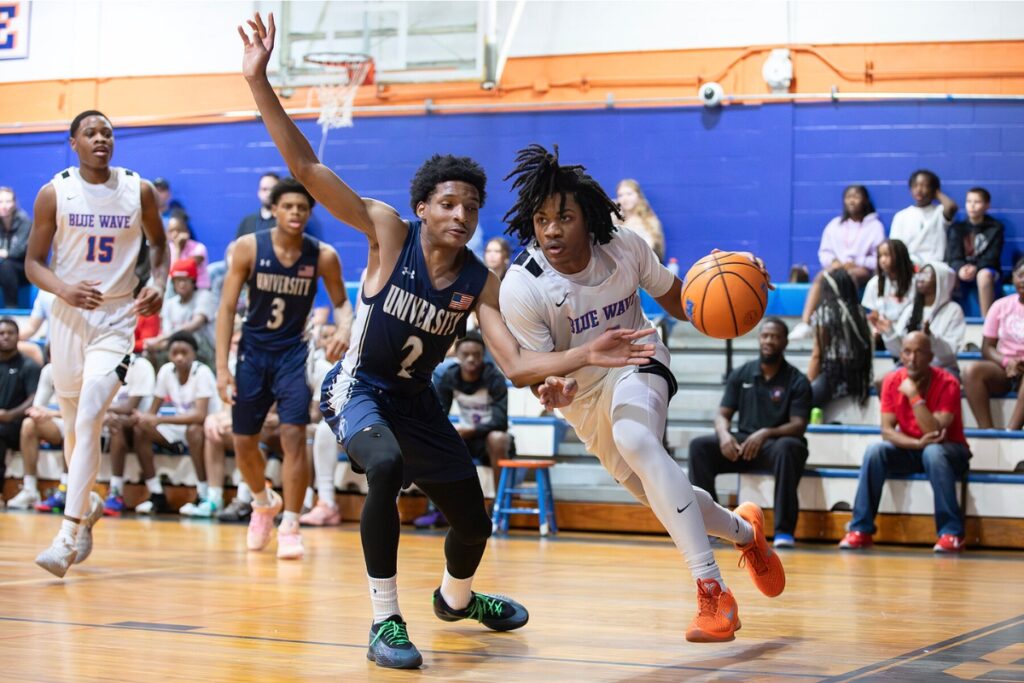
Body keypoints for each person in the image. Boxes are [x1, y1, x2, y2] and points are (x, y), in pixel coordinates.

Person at [239, 12, 659, 669]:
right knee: (382, 467)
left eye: (471, 205)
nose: (462, 213)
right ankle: (385, 622)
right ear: (423, 207)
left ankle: (457, 599)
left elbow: (517, 363)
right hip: (360, 389)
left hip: (416, 402)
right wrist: (259, 81)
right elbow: (306, 163)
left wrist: (586, 353)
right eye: (449, 202)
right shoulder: (386, 230)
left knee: (474, 518)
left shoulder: (479, 280)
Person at [501, 144, 785, 644]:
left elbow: (682, 300)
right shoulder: (523, 286)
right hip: (584, 398)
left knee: (635, 437)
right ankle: (747, 533)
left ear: (587, 218)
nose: (550, 230)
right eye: (541, 219)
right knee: (660, 494)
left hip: (638, 358)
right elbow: (537, 369)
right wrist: (556, 385)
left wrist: (740, 284)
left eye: (563, 217)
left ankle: (713, 591)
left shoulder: (625, 245)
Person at [27, 110, 168, 578]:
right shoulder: (55, 192)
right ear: (74, 142)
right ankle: (86, 505)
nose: (101, 138)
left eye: (107, 132)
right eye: (91, 133)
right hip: (68, 316)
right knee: (74, 429)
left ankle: (66, 534)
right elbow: (32, 263)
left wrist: (159, 282)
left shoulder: (138, 189)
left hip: (116, 316)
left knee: (90, 413)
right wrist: (61, 288)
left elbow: (160, 247)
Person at [215, 176, 353, 560]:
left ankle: (291, 524)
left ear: (310, 213)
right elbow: (226, 309)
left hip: (293, 354)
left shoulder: (322, 255)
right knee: (243, 441)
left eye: (302, 208)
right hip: (253, 355)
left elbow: (342, 302)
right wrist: (221, 369)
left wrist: (344, 326)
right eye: (288, 207)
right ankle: (262, 503)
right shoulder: (248, 248)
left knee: (294, 436)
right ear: (274, 210)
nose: (295, 213)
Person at [840, 332, 971, 553]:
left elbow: (934, 431)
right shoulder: (892, 380)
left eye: (919, 353)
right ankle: (860, 529)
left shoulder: (948, 382)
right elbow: (887, 432)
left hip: (951, 452)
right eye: (907, 352)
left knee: (934, 452)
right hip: (914, 448)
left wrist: (914, 396)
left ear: (930, 357)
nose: (912, 358)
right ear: (901, 355)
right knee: (875, 451)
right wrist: (917, 445)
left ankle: (951, 533)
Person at [687, 318, 811, 548]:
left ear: (785, 342)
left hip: (775, 445)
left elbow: (799, 425)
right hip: (743, 445)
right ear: (759, 339)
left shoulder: (797, 380)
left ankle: (784, 532)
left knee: (789, 447)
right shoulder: (742, 374)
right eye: (765, 336)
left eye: (775, 337)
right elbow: (722, 415)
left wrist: (765, 433)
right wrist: (725, 435)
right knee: (699, 447)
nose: (769, 341)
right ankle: (709, 526)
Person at [133, 331, 218, 514]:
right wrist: (144, 418)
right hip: (179, 428)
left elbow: (200, 415)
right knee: (141, 429)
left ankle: (202, 494)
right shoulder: (166, 371)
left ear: (194, 353)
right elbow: (152, 413)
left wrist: (159, 419)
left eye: (184, 352)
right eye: (175, 353)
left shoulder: (202, 372)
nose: (179, 357)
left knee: (194, 430)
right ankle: (156, 494)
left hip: (206, 428)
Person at [789, 185, 885, 340]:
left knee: (845, 277)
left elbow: (879, 258)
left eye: (856, 196)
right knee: (821, 276)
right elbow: (824, 252)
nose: (852, 200)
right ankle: (806, 323)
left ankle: (838, 324)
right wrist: (833, 262)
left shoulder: (875, 226)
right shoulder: (835, 224)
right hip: (836, 268)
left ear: (865, 200)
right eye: (848, 197)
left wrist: (855, 262)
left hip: (861, 271)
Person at [437, 330, 514, 493]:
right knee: (440, 441)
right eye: (465, 354)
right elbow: (439, 416)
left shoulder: (494, 378)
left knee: (497, 438)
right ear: (457, 354)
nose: (471, 359)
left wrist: (472, 430)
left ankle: (498, 502)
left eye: (476, 354)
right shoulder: (449, 377)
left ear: (483, 354)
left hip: (490, 441)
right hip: (466, 440)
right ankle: (438, 506)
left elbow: (501, 422)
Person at [962, 257, 1024, 430]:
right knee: (971, 371)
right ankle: (987, 431)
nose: (1023, 280)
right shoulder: (1000, 306)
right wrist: (1008, 362)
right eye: (1020, 275)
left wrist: (1020, 364)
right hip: (1004, 367)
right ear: (1013, 277)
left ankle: (1012, 431)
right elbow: (987, 347)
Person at [880, 262, 965, 378]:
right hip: (911, 366)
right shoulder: (911, 309)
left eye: (927, 274)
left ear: (941, 280)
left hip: (942, 367)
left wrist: (930, 337)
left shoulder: (953, 310)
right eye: (920, 273)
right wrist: (889, 332)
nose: (921, 277)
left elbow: (951, 353)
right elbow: (899, 351)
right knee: (882, 381)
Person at [806, 269, 873, 410]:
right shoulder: (859, 311)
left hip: (834, 376)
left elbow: (817, 355)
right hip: (859, 376)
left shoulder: (825, 311)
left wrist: (807, 385)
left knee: (799, 401)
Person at [102, 354, 157, 515]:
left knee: (118, 425)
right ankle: (67, 489)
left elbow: (129, 408)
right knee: (73, 428)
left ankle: (116, 492)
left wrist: (102, 409)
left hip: (141, 428)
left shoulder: (141, 366)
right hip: (113, 424)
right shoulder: (102, 364)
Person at [8, 360, 61, 510]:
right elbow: (38, 405)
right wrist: (39, 413)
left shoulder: (85, 367)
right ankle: (30, 489)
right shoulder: (49, 370)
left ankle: (65, 489)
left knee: (74, 428)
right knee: (29, 424)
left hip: (78, 421)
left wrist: (53, 413)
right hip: (57, 420)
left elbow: (85, 410)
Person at [145, 258, 216, 365]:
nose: (181, 284)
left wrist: (161, 339)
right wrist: (154, 346)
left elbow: (195, 324)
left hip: (203, 352)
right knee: (149, 352)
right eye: (178, 280)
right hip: (176, 349)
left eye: (185, 280)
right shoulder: (170, 304)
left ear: (193, 281)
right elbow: (167, 335)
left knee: (181, 344)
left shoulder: (204, 296)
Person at [947, 187, 1003, 318]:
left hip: (987, 269)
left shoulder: (995, 228)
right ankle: (948, 320)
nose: (972, 206)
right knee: (946, 273)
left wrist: (976, 267)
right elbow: (953, 256)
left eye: (977, 202)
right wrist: (960, 268)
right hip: (963, 269)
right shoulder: (957, 228)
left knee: (983, 276)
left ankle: (987, 322)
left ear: (986, 205)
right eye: (969, 201)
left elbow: (993, 257)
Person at [0, 318, 41, 494]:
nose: (5, 337)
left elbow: (34, 398)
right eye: (1, 333)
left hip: (17, 424)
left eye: (10, 333)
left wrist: (11, 415)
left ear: (18, 337)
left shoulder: (29, 365)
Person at [889, 169, 957, 267]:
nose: (919, 190)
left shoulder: (939, 211)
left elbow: (952, 207)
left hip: (935, 265)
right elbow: (895, 246)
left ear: (934, 190)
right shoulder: (901, 216)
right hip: (908, 265)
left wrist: (937, 193)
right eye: (915, 185)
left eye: (924, 185)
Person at [862, 239, 915, 347]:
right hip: (883, 335)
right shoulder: (874, 284)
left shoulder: (914, 283)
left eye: (887, 255)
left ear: (900, 256)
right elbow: (874, 314)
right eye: (880, 256)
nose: (883, 260)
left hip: (906, 334)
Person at [615, 178, 665, 261]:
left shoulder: (650, 221)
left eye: (629, 194)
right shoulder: (614, 220)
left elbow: (653, 251)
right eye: (621, 195)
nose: (625, 198)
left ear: (638, 195)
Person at [0, 187, 32, 308]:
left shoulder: (25, 222)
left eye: (8, 202)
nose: (4, 206)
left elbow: (20, 250)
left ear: (14, 203)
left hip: (22, 269)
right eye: (1, 202)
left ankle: (11, 309)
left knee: (7, 265)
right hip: (2, 267)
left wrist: (5, 254)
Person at [166, 211, 210, 290]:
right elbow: (171, 275)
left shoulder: (199, 248)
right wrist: (177, 248)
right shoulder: (167, 249)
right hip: (176, 291)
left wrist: (178, 248)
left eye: (178, 230)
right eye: (171, 231)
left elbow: (180, 271)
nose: (175, 234)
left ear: (186, 231)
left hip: (198, 290)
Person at [236, 172, 281, 239]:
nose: (269, 193)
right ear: (259, 193)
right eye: (264, 189)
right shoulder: (247, 222)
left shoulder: (285, 221)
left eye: (273, 189)